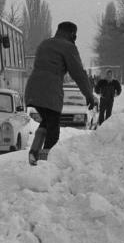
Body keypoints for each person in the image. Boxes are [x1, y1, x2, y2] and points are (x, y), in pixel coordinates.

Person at [24, 21, 96, 166]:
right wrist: (89, 94)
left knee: (47, 121)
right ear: (72, 34)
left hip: (32, 89)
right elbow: (78, 73)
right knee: (53, 129)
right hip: (49, 91)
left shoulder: (45, 43)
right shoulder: (68, 47)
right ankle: (46, 160)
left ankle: (34, 151)